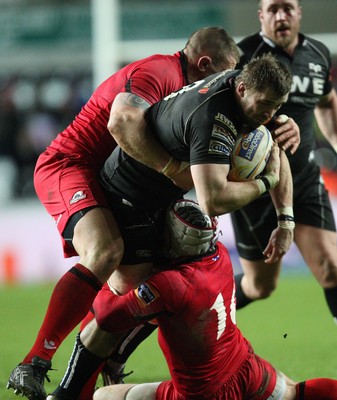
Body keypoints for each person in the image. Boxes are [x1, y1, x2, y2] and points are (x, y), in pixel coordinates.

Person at [6, 27, 242, 400]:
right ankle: (34, 362)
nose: (229, 87)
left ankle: (101, 362)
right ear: (205, 64)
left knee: (150, 280)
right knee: (105, 251)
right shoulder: (161, 72)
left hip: (112, 179)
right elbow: (120, 122)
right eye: (226, 75)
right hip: (70, 164)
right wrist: (170, 171)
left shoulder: (194, 93)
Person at [47, 199, 337, 400]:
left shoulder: (169, 284)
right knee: (292, 391)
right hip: (246, 367)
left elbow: (109, 317)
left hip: (205, 393)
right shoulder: (220, 254)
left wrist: (108, 280)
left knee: (103, 396)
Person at [231, 0, 337, 321]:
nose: (281, 16)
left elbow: (327, 100)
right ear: (261, 15)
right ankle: (194, 313)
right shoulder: (243, 55)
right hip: (257, 184)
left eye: (287, 8)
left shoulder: (317, 54)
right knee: (260, 285)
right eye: (273, 9)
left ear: (299, 12)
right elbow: (222, 113)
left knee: (332, 268)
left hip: (304, 177)